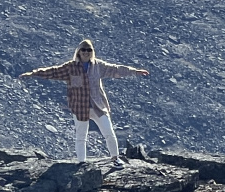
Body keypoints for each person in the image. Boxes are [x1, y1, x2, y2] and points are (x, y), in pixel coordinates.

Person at [20, 39, 150, 161]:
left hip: (98, 106)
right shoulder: (70, 67)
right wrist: (33, 73)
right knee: (81, 137)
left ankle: (115, 158)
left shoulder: (98, 66)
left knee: (109, 132)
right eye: (83, 49)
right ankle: (82, 162)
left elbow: (115, 69)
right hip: (80, 108)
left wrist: (135, 71)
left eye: (89, 50)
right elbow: (53, 72)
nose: (86, 52)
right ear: (78, 51)